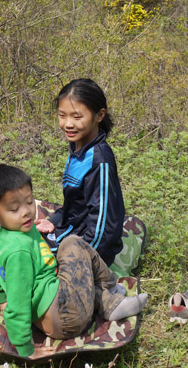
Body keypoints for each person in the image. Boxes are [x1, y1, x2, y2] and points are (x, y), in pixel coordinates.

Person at [0, 164, 147, 359]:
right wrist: (26, 349)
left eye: (30, 202)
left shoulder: (5, 238)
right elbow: (18, 304)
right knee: (73, 244)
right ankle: (110, 292)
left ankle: (104, 298)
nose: (26, 212)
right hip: (66, 316)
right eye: (14, 209)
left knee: (68, 251)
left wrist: (1, 302)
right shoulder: (19, 252)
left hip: (57, 311)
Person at [35, 78, 125, 266]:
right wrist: (56, 220)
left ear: (99, 115)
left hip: (88, 248)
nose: (68, 124)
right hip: (71, 231)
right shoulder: (77, 148)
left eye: (77, 117)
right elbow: (76, 204)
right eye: (62, 115)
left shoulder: (99, 161)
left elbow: (103, 225)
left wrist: (80, 262)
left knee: (30, 254)